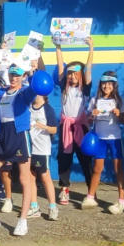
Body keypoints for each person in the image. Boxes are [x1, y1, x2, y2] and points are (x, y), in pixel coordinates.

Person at [0, 65, 38, 234]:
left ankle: (23, 220)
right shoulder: (3, 92)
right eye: (12, 75)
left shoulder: (24, 92)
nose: (14, 78)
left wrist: (33, 72)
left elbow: (34, 90)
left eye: (18, 75)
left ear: (23, 76)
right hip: (4, 136)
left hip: (19, 135)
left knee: (25, 179)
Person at [54, 37, 95, 206]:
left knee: (85, 159)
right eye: (70, 74)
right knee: (64, 159)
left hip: (81, 127)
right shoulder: (64, 87)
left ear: (81, 75)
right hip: (65, 127)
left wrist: (91, 47)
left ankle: (91, 191)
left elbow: (89, 67)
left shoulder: (84, 88)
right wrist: (58, 46)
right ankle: (64, 189)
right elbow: (60, 65)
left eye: (75, 73)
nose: (72, 76)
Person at [85, 71, 124, 214]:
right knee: (97, 169)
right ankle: (90, 197)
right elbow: (88, 119)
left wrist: (119, 114)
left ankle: (121, 200)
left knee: (118, 170)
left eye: (110, 84)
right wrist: (93, 114)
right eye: (104, 83)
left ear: (114, 85)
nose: (107, 86)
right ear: (101, 84)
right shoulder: (95, 99)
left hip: (114, 139)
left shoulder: (119, 101)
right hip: (99, 139)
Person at [16, 93, 59, 235]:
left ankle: (52, 207)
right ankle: (34, 207)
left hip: (42, 148)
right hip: (29, 147)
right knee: (30, 177)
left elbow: (54, 129)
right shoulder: (28, 107)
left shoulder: (48, 109)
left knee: (45, 177)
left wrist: (43, 126)